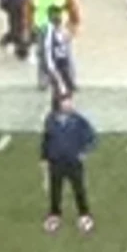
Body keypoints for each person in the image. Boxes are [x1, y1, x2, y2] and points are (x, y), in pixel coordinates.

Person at [41, 92, 97, 233]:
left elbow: (91, 137)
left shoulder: (78, 120)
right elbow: (46, 140)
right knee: (55, 190)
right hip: (56, 161)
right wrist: (44, 158)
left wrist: (84, 152)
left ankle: (84, 214)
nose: (69, 104)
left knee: (78, 189)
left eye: (69, 102)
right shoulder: (51, 120)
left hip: (73, 161)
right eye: (66, 102)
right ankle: (54, 215)